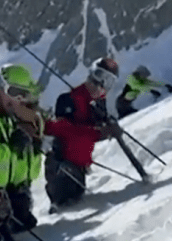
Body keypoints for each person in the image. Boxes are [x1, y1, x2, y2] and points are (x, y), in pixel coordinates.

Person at [0, 64, 45, 241]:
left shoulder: (20, 118)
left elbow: (33, 174)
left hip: (17, 199)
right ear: (0, 88)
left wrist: (34, 147)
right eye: (13, 91)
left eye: (23, 94)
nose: (18, 99)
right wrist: (10, 147)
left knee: (27, 229)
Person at [44, 58, 121, 212]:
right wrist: (98, 133)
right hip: (62, 168)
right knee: (66, 208)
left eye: (108, 81)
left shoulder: (99, 104)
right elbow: (60, 129)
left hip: (79, 170)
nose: (101, 84)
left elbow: (93, 132)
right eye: (100, 75)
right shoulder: (68, 100)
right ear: (91, 73)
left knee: (77, 203)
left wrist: (108, 129)